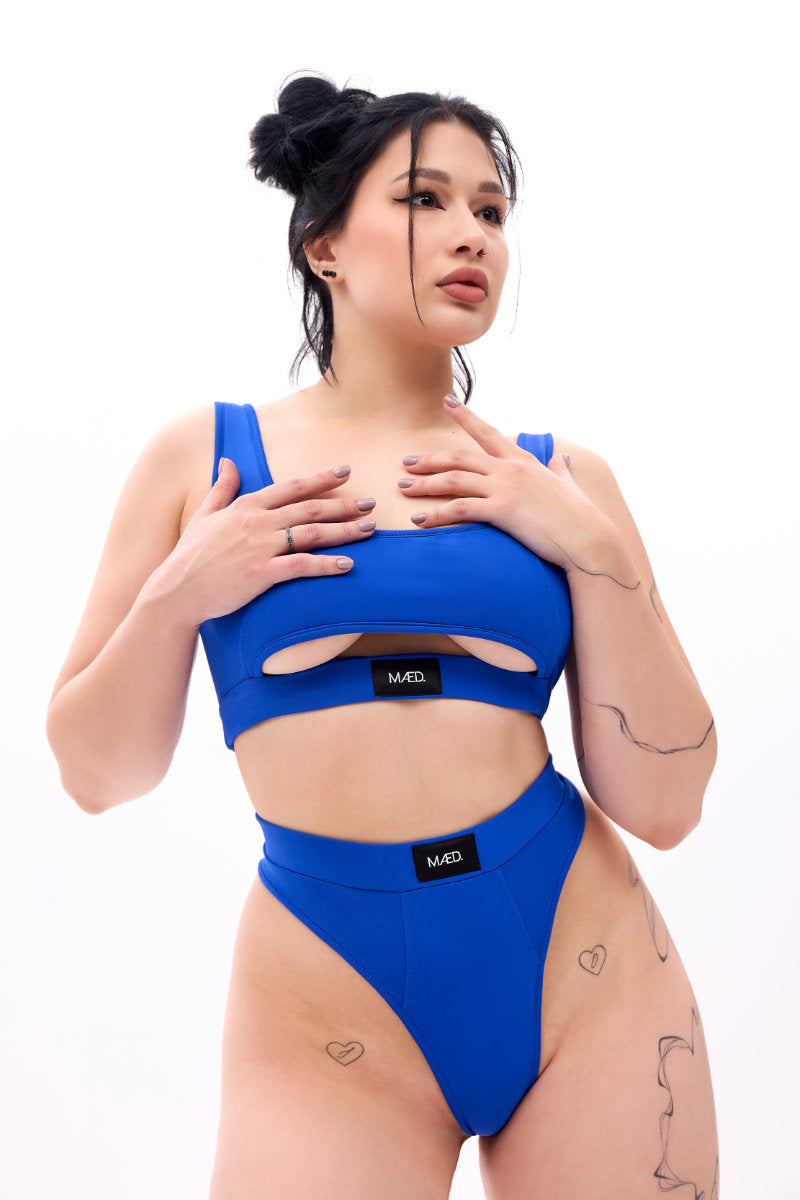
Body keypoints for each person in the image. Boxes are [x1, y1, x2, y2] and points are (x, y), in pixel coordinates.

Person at [47, 73, 720, 1199]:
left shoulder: (560, 478)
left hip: (583, 964)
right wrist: (177, 597)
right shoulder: (203, 461)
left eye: (491, 210)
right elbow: (95, 776)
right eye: (425, 199)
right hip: (327, 994)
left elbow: (669, 804)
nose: (471, 234)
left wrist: (592, 549)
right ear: (323, 246)